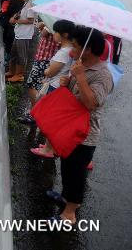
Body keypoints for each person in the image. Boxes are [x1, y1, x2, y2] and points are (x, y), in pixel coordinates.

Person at [46, 26, 113, 224]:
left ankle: (69, 214)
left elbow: (92, 103)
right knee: (67, 166)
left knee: (76, 173)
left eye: (75, 46)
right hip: (71, 127)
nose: (72, 50)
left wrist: (81, 77)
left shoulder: (102, 74)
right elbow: (75, 97)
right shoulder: (80, 64)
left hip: (85, 134)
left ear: (89, 49)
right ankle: (67, 198)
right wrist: (68, 83)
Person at [28, 20, 76, 157]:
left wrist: (46, 71)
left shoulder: (64, 52)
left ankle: (48, 150)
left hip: (54, 87)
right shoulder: (70, 50)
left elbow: (51, 72)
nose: (54, 34)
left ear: (64, 35)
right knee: (53, 117)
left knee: (51, 119)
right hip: (59, 86)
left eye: (56, 32)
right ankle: (50, 146)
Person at [21, 21, 60, 123]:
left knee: (32, 85)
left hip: (45, 59)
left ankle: (35, 113)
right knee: (39, 87)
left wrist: (45, 25)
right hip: (45, 58)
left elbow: (43, 33)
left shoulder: (54, 20)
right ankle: (36, 112)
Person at [6, 0, 36, 82]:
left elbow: (30, 20)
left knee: (21, 55)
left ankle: (19, 75)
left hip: (25, 34)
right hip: (19, 33)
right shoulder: (26, 3)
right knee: (14, 53)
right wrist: (16, 17)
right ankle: (12, 71)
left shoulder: (30, 4)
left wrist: (16, 20)